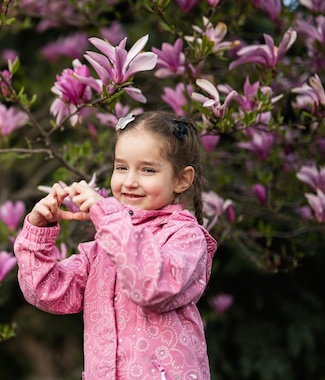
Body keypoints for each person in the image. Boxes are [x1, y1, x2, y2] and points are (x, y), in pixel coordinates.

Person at [13, 110, 218, 380]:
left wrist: (109, 216)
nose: (130, 181)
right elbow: (48, 293)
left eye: (147, 169)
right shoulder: (104, 246)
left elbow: (151, 286)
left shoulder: (185, 237)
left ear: (182, 179)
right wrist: (39, 230)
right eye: (121, 167)